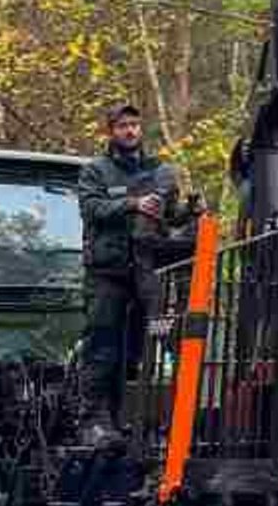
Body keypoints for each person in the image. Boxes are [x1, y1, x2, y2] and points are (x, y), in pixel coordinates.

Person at [76, 104, 193, 445]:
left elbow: (168, 218)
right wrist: (132, 204)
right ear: (111, 131)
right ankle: (94, 420)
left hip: (145, 271)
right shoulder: (96, 171)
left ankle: (130, 417)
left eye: (134, 125)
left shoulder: (159, 171)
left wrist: (187, 213)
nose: (130, 131)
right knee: (102, 347)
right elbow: (91, 209)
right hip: (107, 273)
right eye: (123, 126)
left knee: (140, 347)